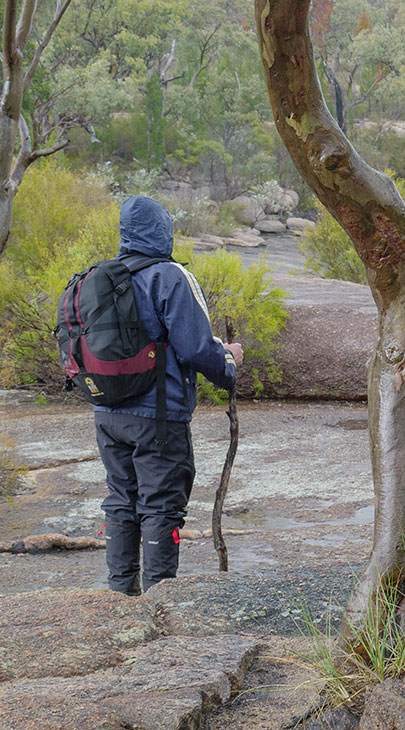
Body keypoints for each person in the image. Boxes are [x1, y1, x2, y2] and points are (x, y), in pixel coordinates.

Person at [95, 196, 242, 595]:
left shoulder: (102, 276)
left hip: (107, 413)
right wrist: (227, 365)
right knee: (161, 506)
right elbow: (194, 348)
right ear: (163, 229)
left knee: (121, 499)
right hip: (158, 418)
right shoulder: (169, 276)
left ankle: (119, 596)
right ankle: (159, 602)